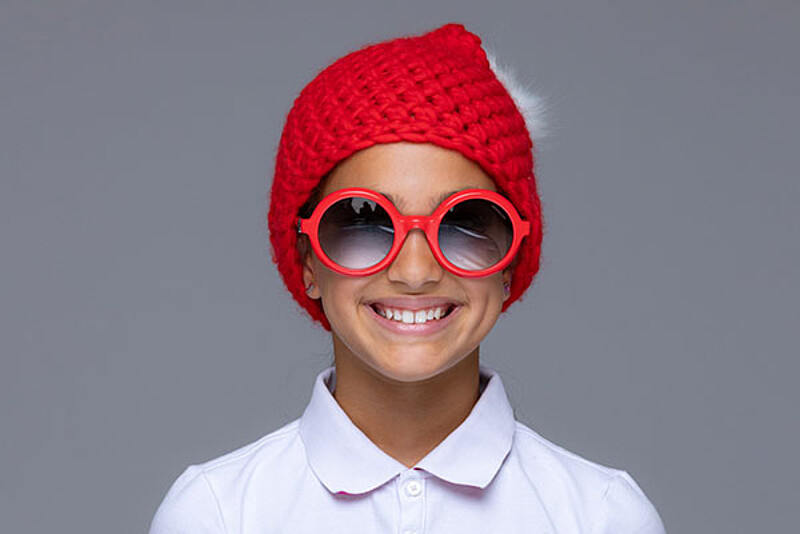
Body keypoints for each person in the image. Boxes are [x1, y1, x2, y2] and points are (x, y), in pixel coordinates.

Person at [149, 23, 666, 533]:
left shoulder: (602, 517)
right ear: (307, 260)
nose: (415, 272)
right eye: (362, 220)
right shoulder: (218, 515)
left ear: (510, 260)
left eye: (465, 222)